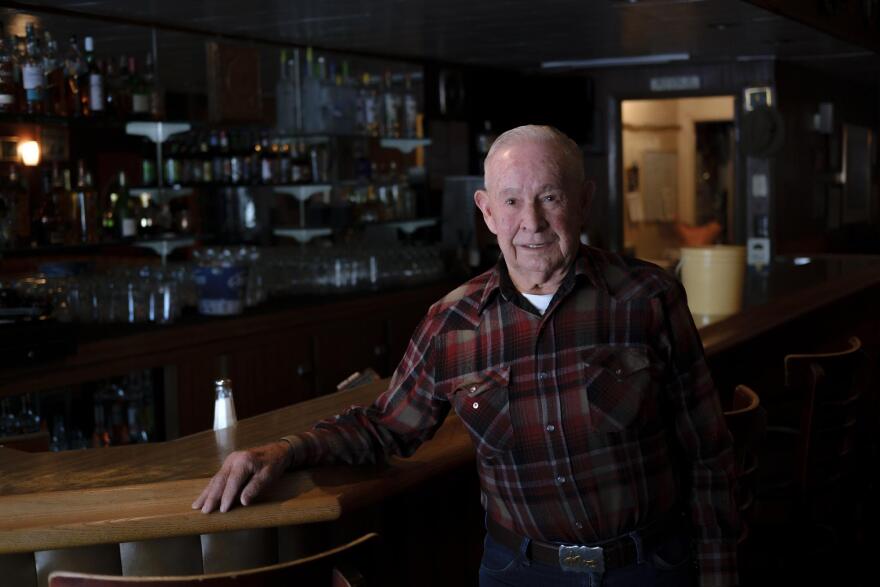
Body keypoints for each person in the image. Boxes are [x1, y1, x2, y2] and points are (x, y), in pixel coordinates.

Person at [193, 125, 739, 587]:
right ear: (486, 211)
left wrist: (718, 575)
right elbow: (386, 426)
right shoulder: (451, 324)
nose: (532, 221)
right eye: (511, 201)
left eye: (550, 196)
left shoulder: (648, 296)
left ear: (585, 199)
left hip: (649, 568)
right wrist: (283, 452)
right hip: (522, 574)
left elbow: (708, 450)